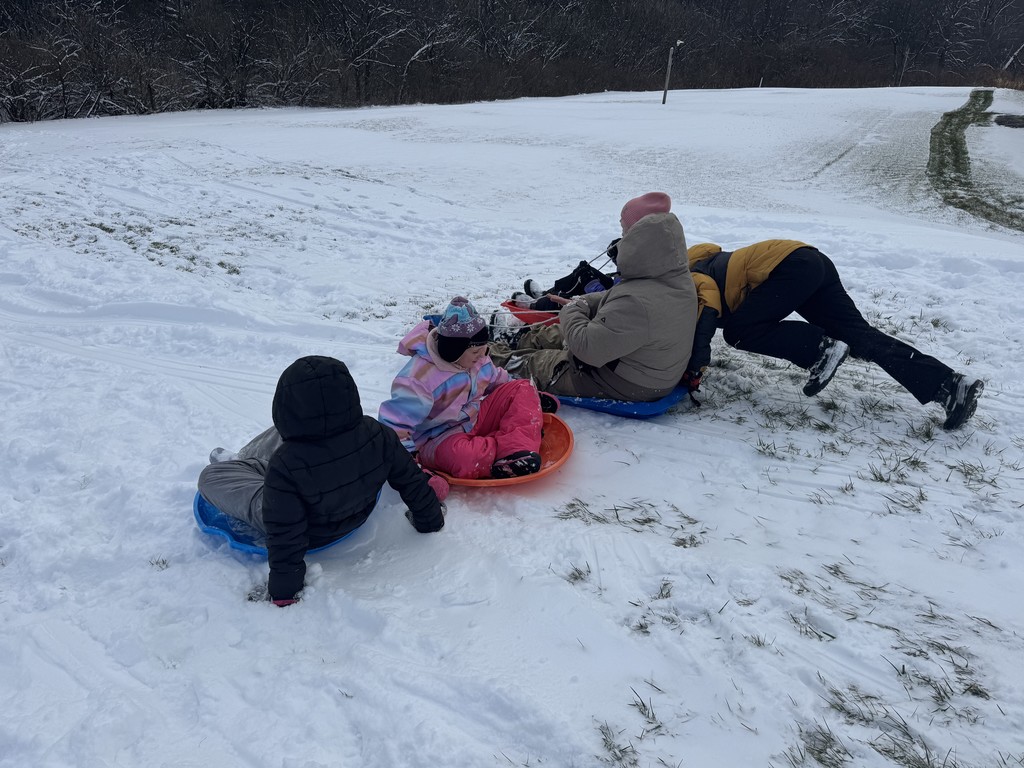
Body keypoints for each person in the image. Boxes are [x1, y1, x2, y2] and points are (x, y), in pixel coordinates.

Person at [198, 355, 446, 606]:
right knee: (283, 434)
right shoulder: (377, 433)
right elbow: (411, 480)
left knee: (210, 477)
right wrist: (430, 519)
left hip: (309, 527)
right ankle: (244, 462)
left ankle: (239, 465)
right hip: (352, 507)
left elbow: (286, 532)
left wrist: (284, 592)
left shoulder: (287, 463)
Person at [686, 239, 984, 429]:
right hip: (810, 260)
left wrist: (693, 371)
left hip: (789, 267)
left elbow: (706, 318)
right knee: (860, 337)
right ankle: (949, 386)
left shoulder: (691, 277)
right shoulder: (705, 260)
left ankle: (820, 350)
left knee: (739, 331)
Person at [488, 192, 699, 402]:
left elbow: (586, 349)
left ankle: (486, 357)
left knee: (541, 363)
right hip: (647, 367)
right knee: (566, 330)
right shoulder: (675, 279)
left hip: (623, 381)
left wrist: (571, 309)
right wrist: (584, 302)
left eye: (626, 237)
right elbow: (620, 297)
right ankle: (517, 338)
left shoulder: (636, 303)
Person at [377, 296, 557, 480]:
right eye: (475, 352)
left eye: (484, 350)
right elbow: (394, 425)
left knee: (522, 387)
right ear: (454, 351)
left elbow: (496, 379)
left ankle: (516, 450)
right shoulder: (419, 378)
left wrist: (529, 397)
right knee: (467, 459)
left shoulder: (477, 359)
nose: (482, 357)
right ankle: (512, 442)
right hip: (439, 438)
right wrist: (412, 467)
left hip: (475, 418)